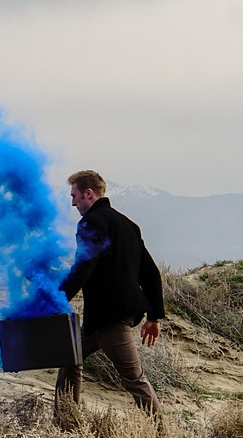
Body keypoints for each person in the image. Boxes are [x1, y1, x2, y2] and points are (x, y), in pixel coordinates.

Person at [56, 170, 165, 417]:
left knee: (134, 379)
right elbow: (150, 273)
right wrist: (154, 316)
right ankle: (66, 422)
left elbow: (83, 266)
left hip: (111, 317)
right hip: (102, 319)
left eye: (74, 196)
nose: (73, 203)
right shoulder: (128, 225)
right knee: (70, 359)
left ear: (89, 193)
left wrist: (56, 299)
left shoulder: (91, 223)